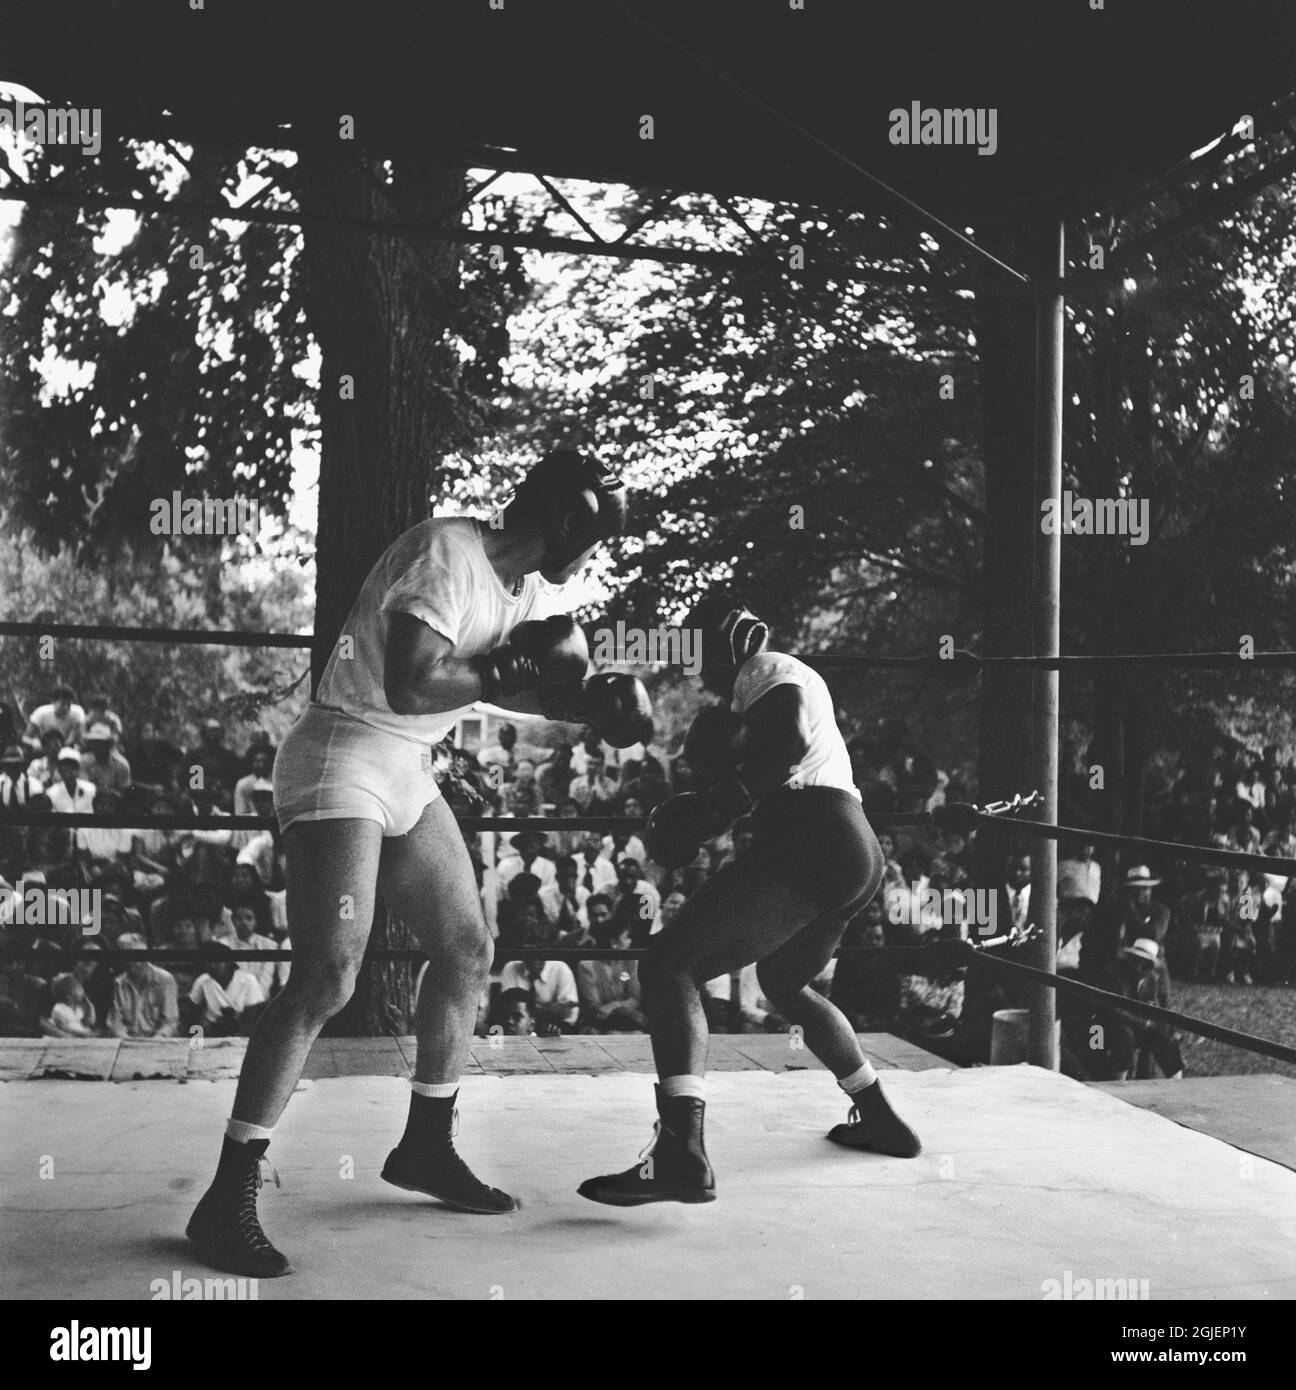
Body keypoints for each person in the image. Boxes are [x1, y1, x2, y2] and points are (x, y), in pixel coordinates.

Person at [186, 448, 649, 1278]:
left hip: (406, 767)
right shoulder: (448, 553)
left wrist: (586, 704)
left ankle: (426, 1145)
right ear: (567, 526)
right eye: (594, 539)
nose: (592, 559)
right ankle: (226, 1195)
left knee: (467, 948)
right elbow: (409, 683)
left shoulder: (533, 594)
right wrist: (514, 669)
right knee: (329, 975)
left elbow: (503, 687)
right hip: (346, 754)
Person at [580, 592, 918, 1208]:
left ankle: (681, 1151)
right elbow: (776, 753)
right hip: (855, 848)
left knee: (668, 966)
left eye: (704, 656)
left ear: (727, 641)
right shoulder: (770, 690)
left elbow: (785, 742)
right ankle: (878, 1114)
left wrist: (712, 808)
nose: (704, 676)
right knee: (784, 982)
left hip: (813, 839)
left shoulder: (766, 669)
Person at [105, 934, 179, 1038]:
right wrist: (129, 1043)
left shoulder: (165, 979)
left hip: (158, 1042)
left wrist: (154, 1042)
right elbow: (115, 1024)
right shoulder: (118, 983)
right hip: (128, 1042)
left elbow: (170, 1022)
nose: (129, 961)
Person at [187, 942, 270, 1035]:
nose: (212, 966)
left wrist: (235, 1039)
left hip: (242, 1030)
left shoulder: (248, 980)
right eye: (208, 962)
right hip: (213, 1031)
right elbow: (192, 1011)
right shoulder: (202, 981)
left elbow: (253, 1016)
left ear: (228, 962)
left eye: (217, 962)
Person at [498, 953, 579, 1033]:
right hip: (520, 1027)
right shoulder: (511, 967)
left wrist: (529, 1012)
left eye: (540, 952)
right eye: (530, 951)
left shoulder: (561, 968)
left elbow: (567, 1012)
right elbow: (505, 1006)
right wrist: (550, 1012)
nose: (535, 957)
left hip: (556, 1026)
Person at [41, 971, 97, 1037]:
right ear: (69, 996)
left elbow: (89, 1022)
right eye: (79, 988)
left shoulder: (79, 1008)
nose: (82, 990)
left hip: (80, 1035)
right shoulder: (59, 1008)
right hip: (68, 1037)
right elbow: (63, 1027)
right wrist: (82, 1034)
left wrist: (89, 1005)